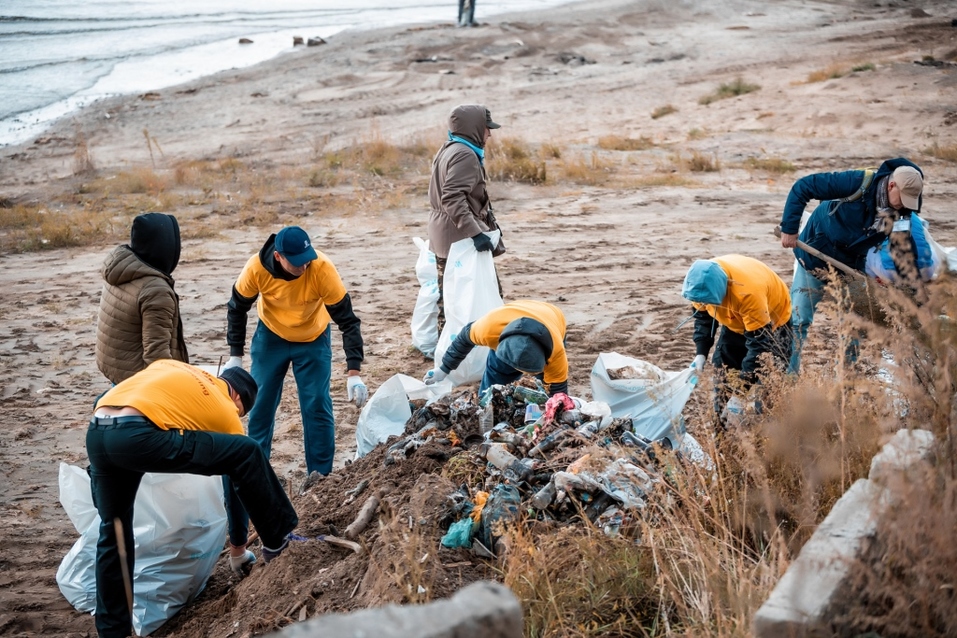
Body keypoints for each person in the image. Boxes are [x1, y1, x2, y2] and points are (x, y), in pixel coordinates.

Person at [87, 360, 299, 638]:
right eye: (242, 412)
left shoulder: (173, 367)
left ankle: (112, 631)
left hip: (98, 429)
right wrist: (237, 547)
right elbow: (238, 479)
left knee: (113, 531)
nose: (238, 416)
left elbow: (106, 396)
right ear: (237, 398)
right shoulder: (224, 407)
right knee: (247, 452)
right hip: (136, 436)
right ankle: (278, 542)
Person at [779, 159, 924, 372]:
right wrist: (790, 228)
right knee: (799, 321)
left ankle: (843, 387)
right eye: (902, 199)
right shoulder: (858, 182)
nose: (904, 205)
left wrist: (914, 297)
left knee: (856, 327)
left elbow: (904, 254)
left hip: (851, 266)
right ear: (891, 185)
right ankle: (787, 378)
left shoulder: (901, 212)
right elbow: (803, 187)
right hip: (814, 255)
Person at [682, 255, 792, 427]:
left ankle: (768, 440)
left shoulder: (748, 294)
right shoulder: (700, 284)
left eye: (707, 301)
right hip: (735, 322)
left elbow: (759, 348)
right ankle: (722, 435)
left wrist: (740, 394)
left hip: (772, 325)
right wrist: (701, 354)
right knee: (723, 378)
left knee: (768, 388)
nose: (701, 303)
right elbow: (703, 319)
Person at [428, 104, 505, 339]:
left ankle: (447, 353)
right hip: (460, 240)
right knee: (483, 296)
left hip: (445, 237)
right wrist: (476, 233)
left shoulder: (449, 148)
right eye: (486, 128)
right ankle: (469, 354)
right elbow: (452, 196)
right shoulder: (465, 155)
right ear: (474, 128)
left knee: (450, 299)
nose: (489, 134)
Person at [95, 213, 188, 384]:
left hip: (117, 366)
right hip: (138, 380)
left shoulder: (122, 268)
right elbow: (157, 356)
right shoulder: (155, 291)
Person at [423, 300, 568, 396]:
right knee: (494, 386)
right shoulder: (488, 329)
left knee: (545, 386)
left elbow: (558, 390)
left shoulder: (556, 353)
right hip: (508, 324)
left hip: (552, 315)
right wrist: (444, 368)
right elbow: (463, 341)